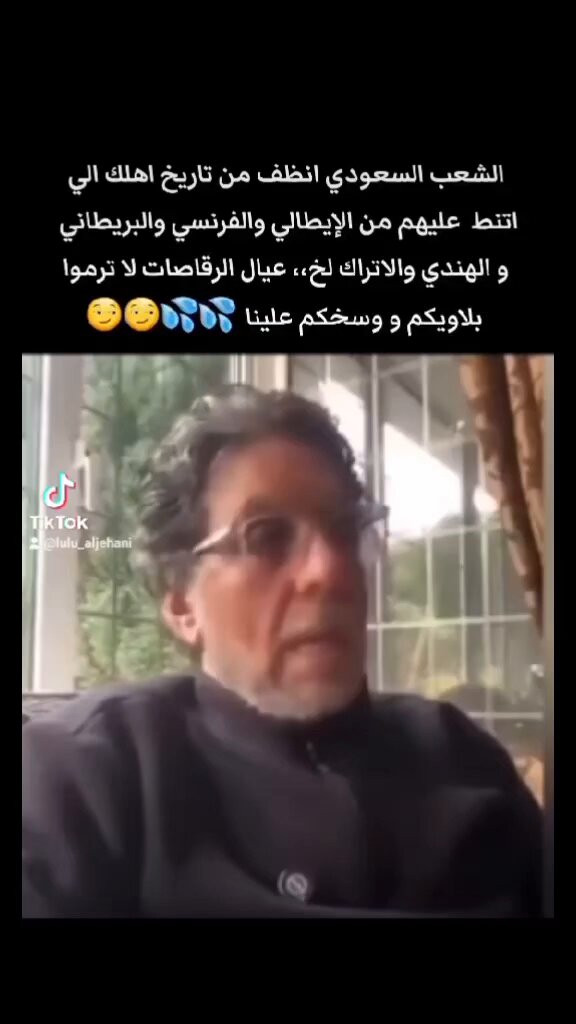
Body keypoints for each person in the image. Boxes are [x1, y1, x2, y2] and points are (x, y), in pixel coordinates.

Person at [22, 386, 542, 918]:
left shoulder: (460, 754)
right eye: (267, 537)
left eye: (344, 531)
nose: (330, 571)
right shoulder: (86, 778)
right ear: (182, 606)